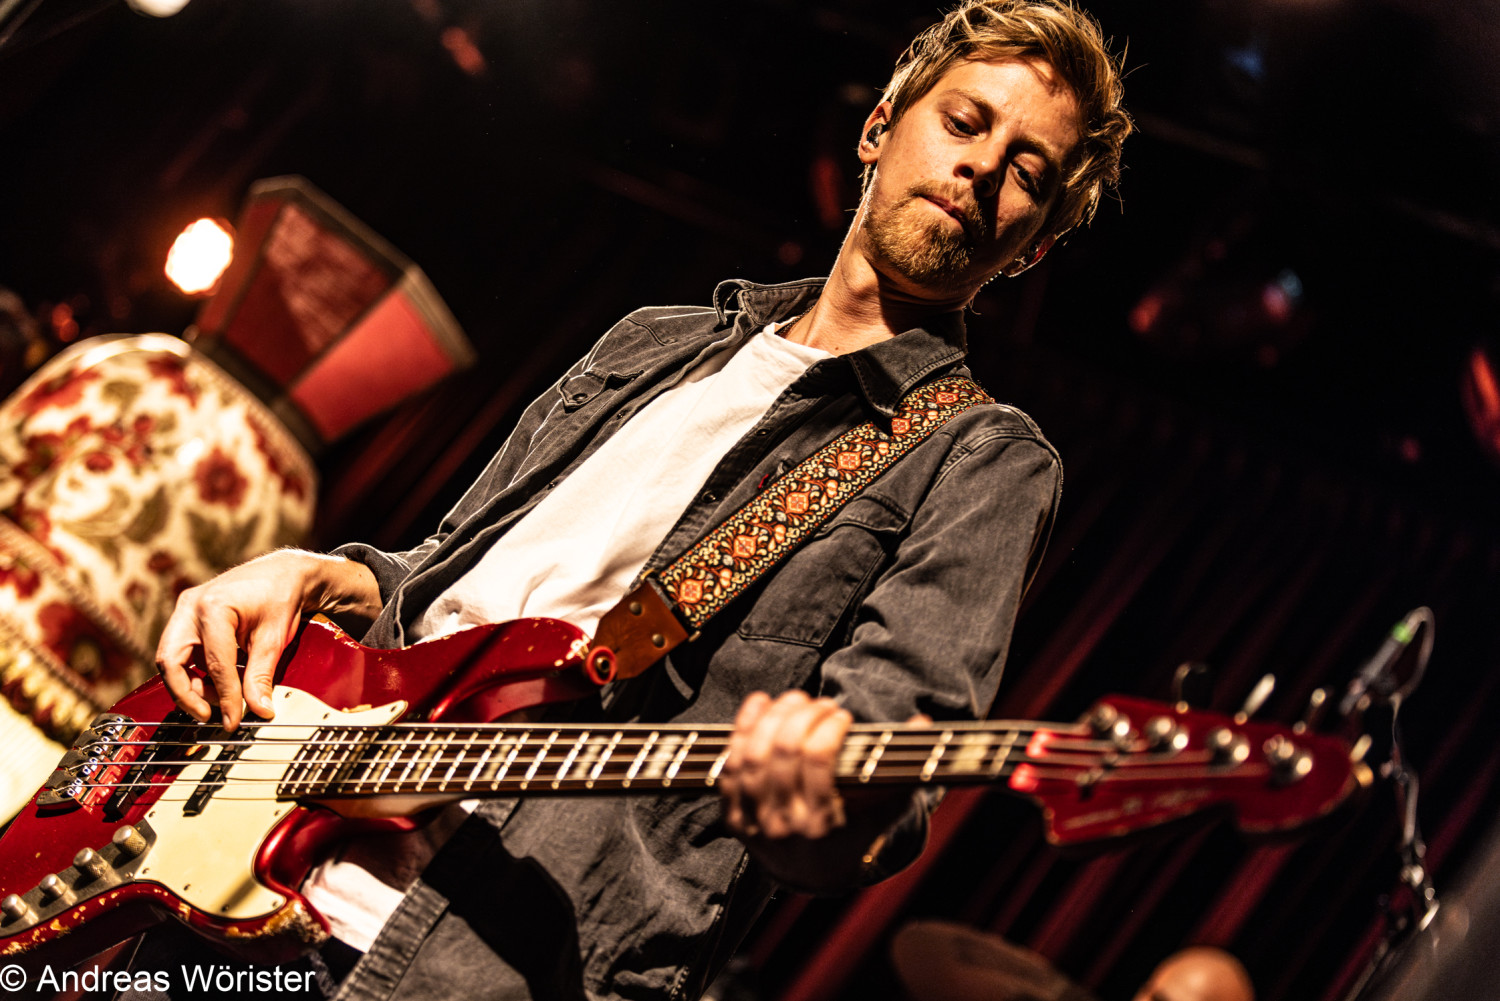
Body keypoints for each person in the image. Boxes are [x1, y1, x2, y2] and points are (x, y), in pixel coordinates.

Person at [143, 2, 1131, 999]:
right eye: (966, 122)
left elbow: (882, 771)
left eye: (1028, 173)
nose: (982, 167)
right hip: (242, 876)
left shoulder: (981, 461)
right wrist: (320, 570)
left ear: (1034, 246)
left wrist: (831, 799)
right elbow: (444, 573)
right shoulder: (653, 342)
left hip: (473, 970)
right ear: (880, 126)